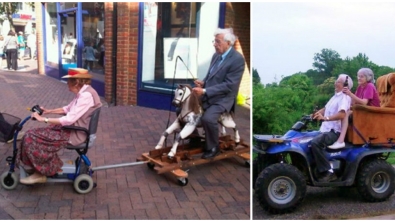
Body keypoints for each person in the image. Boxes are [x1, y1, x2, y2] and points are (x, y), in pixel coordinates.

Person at [17, 68, 102, 184]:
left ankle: (41, 173)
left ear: (76, 81)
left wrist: (43, 119)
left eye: (69, 81)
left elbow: (69, 119)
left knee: (31, 137)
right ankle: (38, 167)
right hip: (71, 129)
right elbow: (67, 109)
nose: (67, 83)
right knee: (32, 134)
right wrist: (48, 111)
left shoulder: (86, 96)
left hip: (74, 133)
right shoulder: (84, 92)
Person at [192, 28, 245, 159]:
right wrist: (203, 83)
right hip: (209, 93)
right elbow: (211, 75)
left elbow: (229, 85)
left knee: (208, 118)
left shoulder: (237, 60)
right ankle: (195, 139)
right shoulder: (216, 55)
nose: (214, 44)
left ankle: (213, 147)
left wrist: (205, 90)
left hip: (223, 99)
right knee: (182, 110)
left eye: (218, 41)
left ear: (228, 42)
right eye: (214, 41)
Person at [311, 74, 353, 182]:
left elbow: (342, 115)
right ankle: (313, 169)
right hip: (324, 129)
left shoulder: (344, 98)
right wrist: (316, 114)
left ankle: (329, 171)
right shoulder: (335, 96)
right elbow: (325, 109)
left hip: (333, 132)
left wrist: (325, 118)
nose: (335, 83)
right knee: (305, 139)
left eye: (338, 82)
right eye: (336, 81)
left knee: (316, 143)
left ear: (345, 85)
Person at [328, 68, 380, 149]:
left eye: (361, 76)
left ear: (368, 77)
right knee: (343, 111)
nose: (359, 78)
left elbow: (364, 103)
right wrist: (346, 95)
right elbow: (353, 102)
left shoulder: (370, 86)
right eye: (358, 76)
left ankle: (341, 141)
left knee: (345, 114)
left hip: (371, 112)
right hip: (362, 110)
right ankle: (336, 134)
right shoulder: (360, 87)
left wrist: (350, 94)